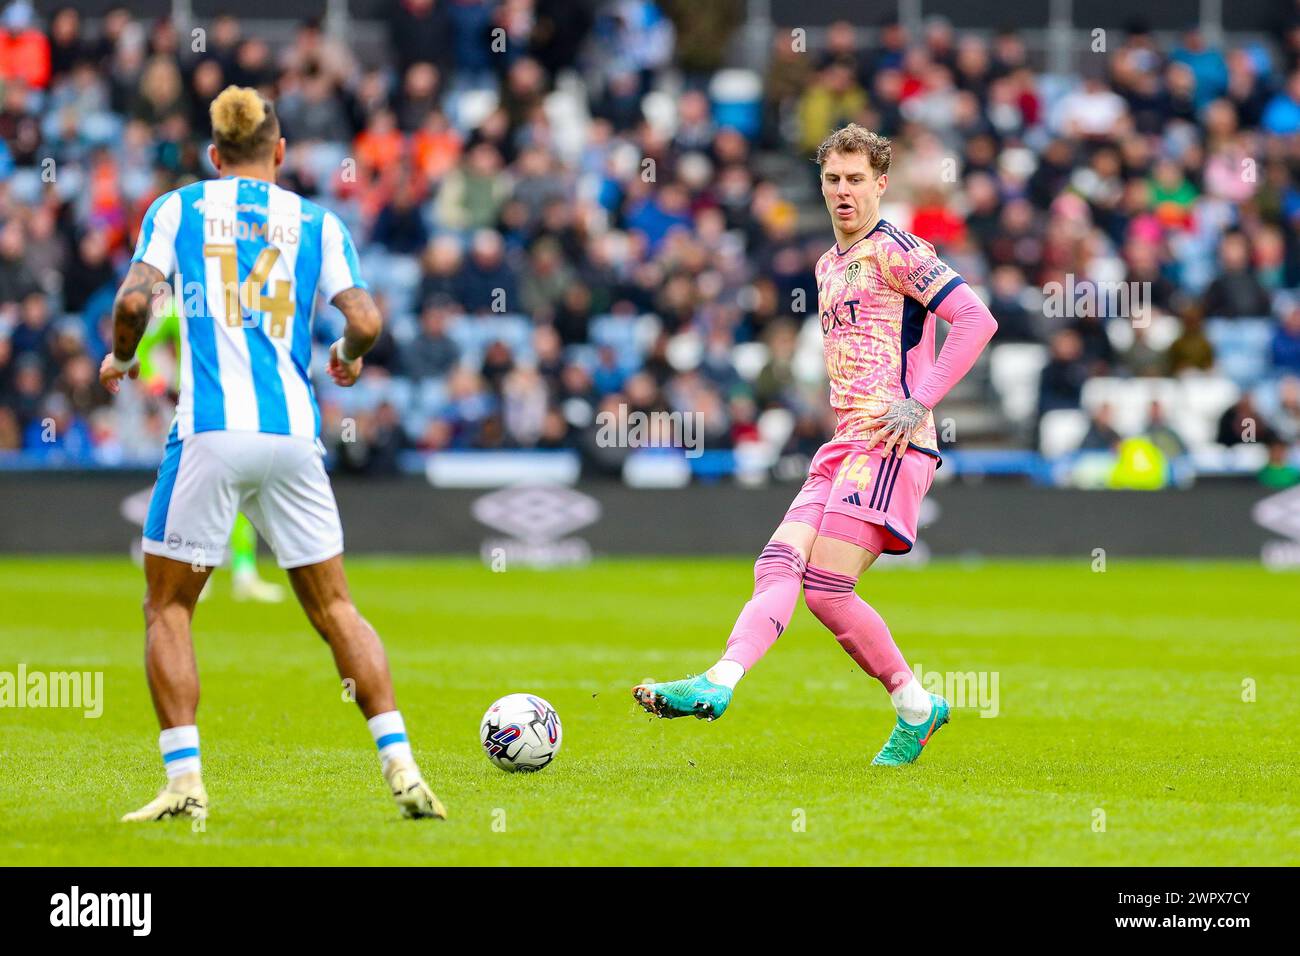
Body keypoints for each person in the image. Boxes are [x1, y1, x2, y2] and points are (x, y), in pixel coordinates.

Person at [100, 86, 445, 822]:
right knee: (336, 607)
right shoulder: (315, 220)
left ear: (214, 157)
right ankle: (404, 768)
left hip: (213, 431)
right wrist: (349, 354)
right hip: (293, 434)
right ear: (280, 153)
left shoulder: (177, 208)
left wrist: (123, 360)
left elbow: (133, 304)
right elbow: (366, 317)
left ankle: (186, 783)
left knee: (168, 607)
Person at [632, 125, 998, 766]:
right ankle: (721, 683)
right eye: (833, 179)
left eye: (857, 179)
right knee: (775, 565)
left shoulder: (898, 250)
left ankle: (914, 705)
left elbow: (976, 318)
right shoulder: (829, 265)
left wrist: (919, 403)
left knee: (827, 588)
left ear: (882, 184)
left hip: (890, 441)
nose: (843, 192)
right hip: (843, 444)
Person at [136, 290, 285, 602]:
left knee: (239, 486)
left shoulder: (240, 301)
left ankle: (243, 573)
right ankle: (189, 570)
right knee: (195, 490)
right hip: (191, 407)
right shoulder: (179, 306)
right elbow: (145, 347)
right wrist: (156, 383)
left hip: (237, 408)